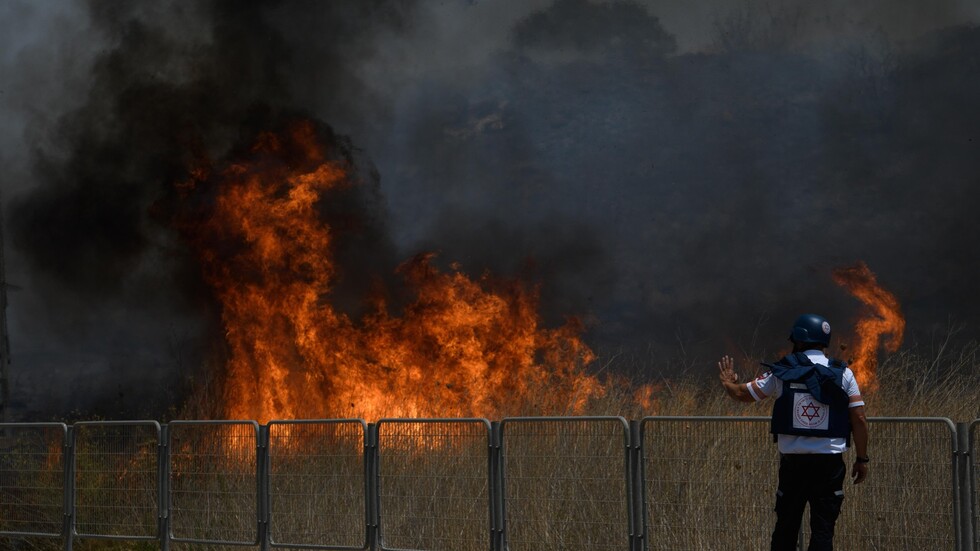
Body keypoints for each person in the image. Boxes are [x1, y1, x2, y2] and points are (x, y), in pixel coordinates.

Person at [718, 313, 869, 551]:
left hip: (793, 465)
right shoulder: (844, 373)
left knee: (785, 529)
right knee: (823, 531)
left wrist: (728, 382)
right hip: (829, 466)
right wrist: (862, 458)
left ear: (798, 339)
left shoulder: (782, 371)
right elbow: (859, 419)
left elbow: (741, 394)